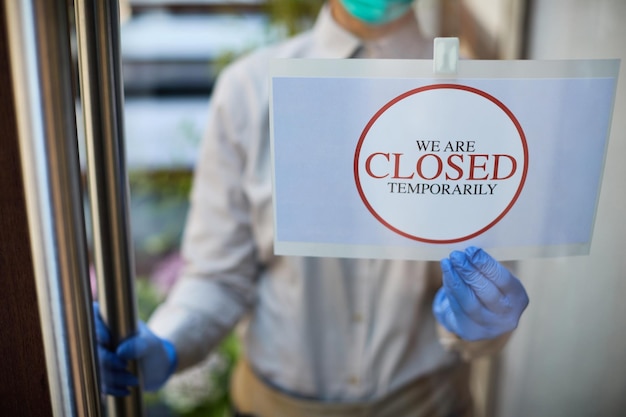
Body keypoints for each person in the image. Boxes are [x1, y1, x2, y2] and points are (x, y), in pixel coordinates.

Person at [95, 1, 529, 416]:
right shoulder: (250, 89)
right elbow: (219, 275)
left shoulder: (476, 99)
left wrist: (484, 323)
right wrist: (169, 342)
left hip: (429, 406)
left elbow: (485, 282)